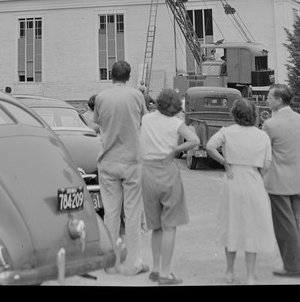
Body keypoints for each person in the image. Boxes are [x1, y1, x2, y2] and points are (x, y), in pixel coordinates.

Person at [206, 97, 277, 285]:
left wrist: (224, 162)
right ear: (253, 115)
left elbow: (210, 146)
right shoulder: (262, 136)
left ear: (235, 114)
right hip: (253, 180)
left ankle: (229, 272)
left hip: (233, 179)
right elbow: (267, 164)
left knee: (231, 223)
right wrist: (257, 175)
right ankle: (250, 275)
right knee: (251, 227)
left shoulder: (227, 132)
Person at [94, 60, 149, 276]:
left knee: (111, 213)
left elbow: (98, 122)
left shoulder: (100, 97)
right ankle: (134, 263)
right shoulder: (136, 96)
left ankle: (111, 262)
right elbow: (144, 117)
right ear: (128, 76)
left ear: (111, 75)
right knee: (133, 214)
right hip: (131, 160)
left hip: (108, 160)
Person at [139, 88, 198, 285]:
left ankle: (155, 269)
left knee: (155, 226)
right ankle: (165, 273)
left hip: (147, 170)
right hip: (167, 170)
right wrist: (175, 150)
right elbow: (195, 141)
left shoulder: (146, 120)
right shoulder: (176, 123)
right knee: (170, 225)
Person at [261, 83, 300, 278]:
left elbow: (263, 150)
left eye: (269, 97)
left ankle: (292, 267)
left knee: (284, 226)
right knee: (294, 223)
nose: (267, 100)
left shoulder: (270, 125)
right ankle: (295, 263)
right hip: (296, 179)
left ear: (279, 101)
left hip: (278, 181)